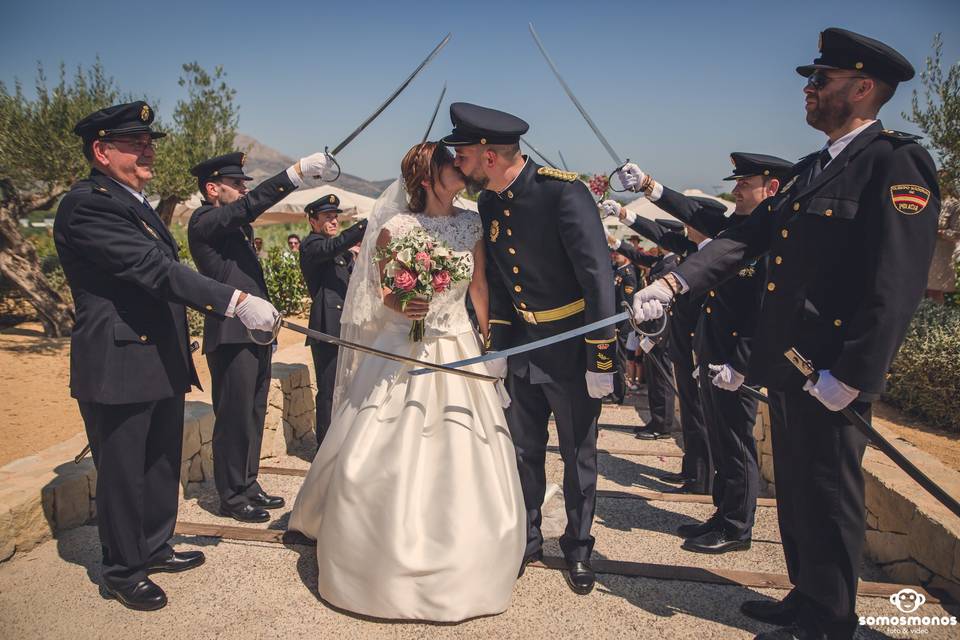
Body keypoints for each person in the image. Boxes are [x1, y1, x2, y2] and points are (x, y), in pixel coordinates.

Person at [629, 29, 939, 640]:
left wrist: (854, 374)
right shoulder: (810, 172)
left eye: (820, 80)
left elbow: (896, 282)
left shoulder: (894, 161)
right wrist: (672, 286)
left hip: (832, 371)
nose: (808, 88)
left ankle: (832, 619)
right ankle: (806, 596)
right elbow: (743, 238)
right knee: (797, 488)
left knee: (829, 492)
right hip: (789, 364)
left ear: (863, 87)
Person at [53, 101, 280, 611]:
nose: (148, 150)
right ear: (101, 150)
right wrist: (235, 301)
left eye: (149, 143)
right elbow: (154, 271)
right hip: (117, 361)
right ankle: (123, 568)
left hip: (155, 356)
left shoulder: (131, 202)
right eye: (136, 144)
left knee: (158, 462)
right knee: (124, 469)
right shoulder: (87, 204)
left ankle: (154, 547)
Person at [289, 142, 525, 622]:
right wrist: (408, 303)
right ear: (426, 178)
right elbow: (384, 295)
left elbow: (478, 285)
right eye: (450, 164)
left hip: (458, 344)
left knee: (470, 445)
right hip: (406, 347)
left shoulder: (471, 221)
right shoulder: (395, 228)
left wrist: (487, 341)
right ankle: (377, 553)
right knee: (383, 444)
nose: (461, 167)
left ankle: (471, 550)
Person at [444, 103, 616, 594]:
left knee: (578, 454)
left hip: (571, 350)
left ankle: (579, 546)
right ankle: (528, 536)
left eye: (463, 152)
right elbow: (498, 280)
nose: (458, 161)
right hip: (523, 348)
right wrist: (498, 346)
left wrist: (600, 355)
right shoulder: (490, 204)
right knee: (524, 452)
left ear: (489, 154)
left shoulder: (563, 192)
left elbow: (598, 279)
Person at [609, 153, 793, 552]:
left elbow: (765, 311)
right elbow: (692, 212)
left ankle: (736, 528)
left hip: (736, 363)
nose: (738, 187)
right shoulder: (738, 229)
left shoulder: (770, 240)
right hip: (713, 356)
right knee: (722, 440)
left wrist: (740, 364)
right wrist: (648, 186)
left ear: (772, 188)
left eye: (747, 182)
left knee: (736, 442)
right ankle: (722, 513)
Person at [187, 149, 336, 522]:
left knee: (252, 412)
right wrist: (295, 174)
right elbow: (246, 208)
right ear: (211, 189)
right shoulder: (205, 220)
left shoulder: (236, 227)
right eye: (235, 184)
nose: (241, 189)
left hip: (256, 331)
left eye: (242, 184)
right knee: (234, 415)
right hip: (231, 333)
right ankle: (231, 496)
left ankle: (248, 483)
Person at [298, 194, 367, 448]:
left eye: (336, 217)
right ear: (313, 221)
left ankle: (342, 442)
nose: (334, 221)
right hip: (327, 327)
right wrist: (364, 225)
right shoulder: (312, 245)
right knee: (328, 390)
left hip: (345, 325)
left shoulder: (338, 252)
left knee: (346, 386)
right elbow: (332, 247)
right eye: (327, 217)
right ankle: (325, 447)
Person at [610, 249, 637, 404]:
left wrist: (619, 325)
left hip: (620, 324)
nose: (615, 255)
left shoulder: (628, 274)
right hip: (614, 322)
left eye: (618, 253)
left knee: (619, 359)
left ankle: (618, 393)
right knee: (614, 358)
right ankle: (614, 390)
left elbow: (626, 304)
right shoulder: (617, 271)